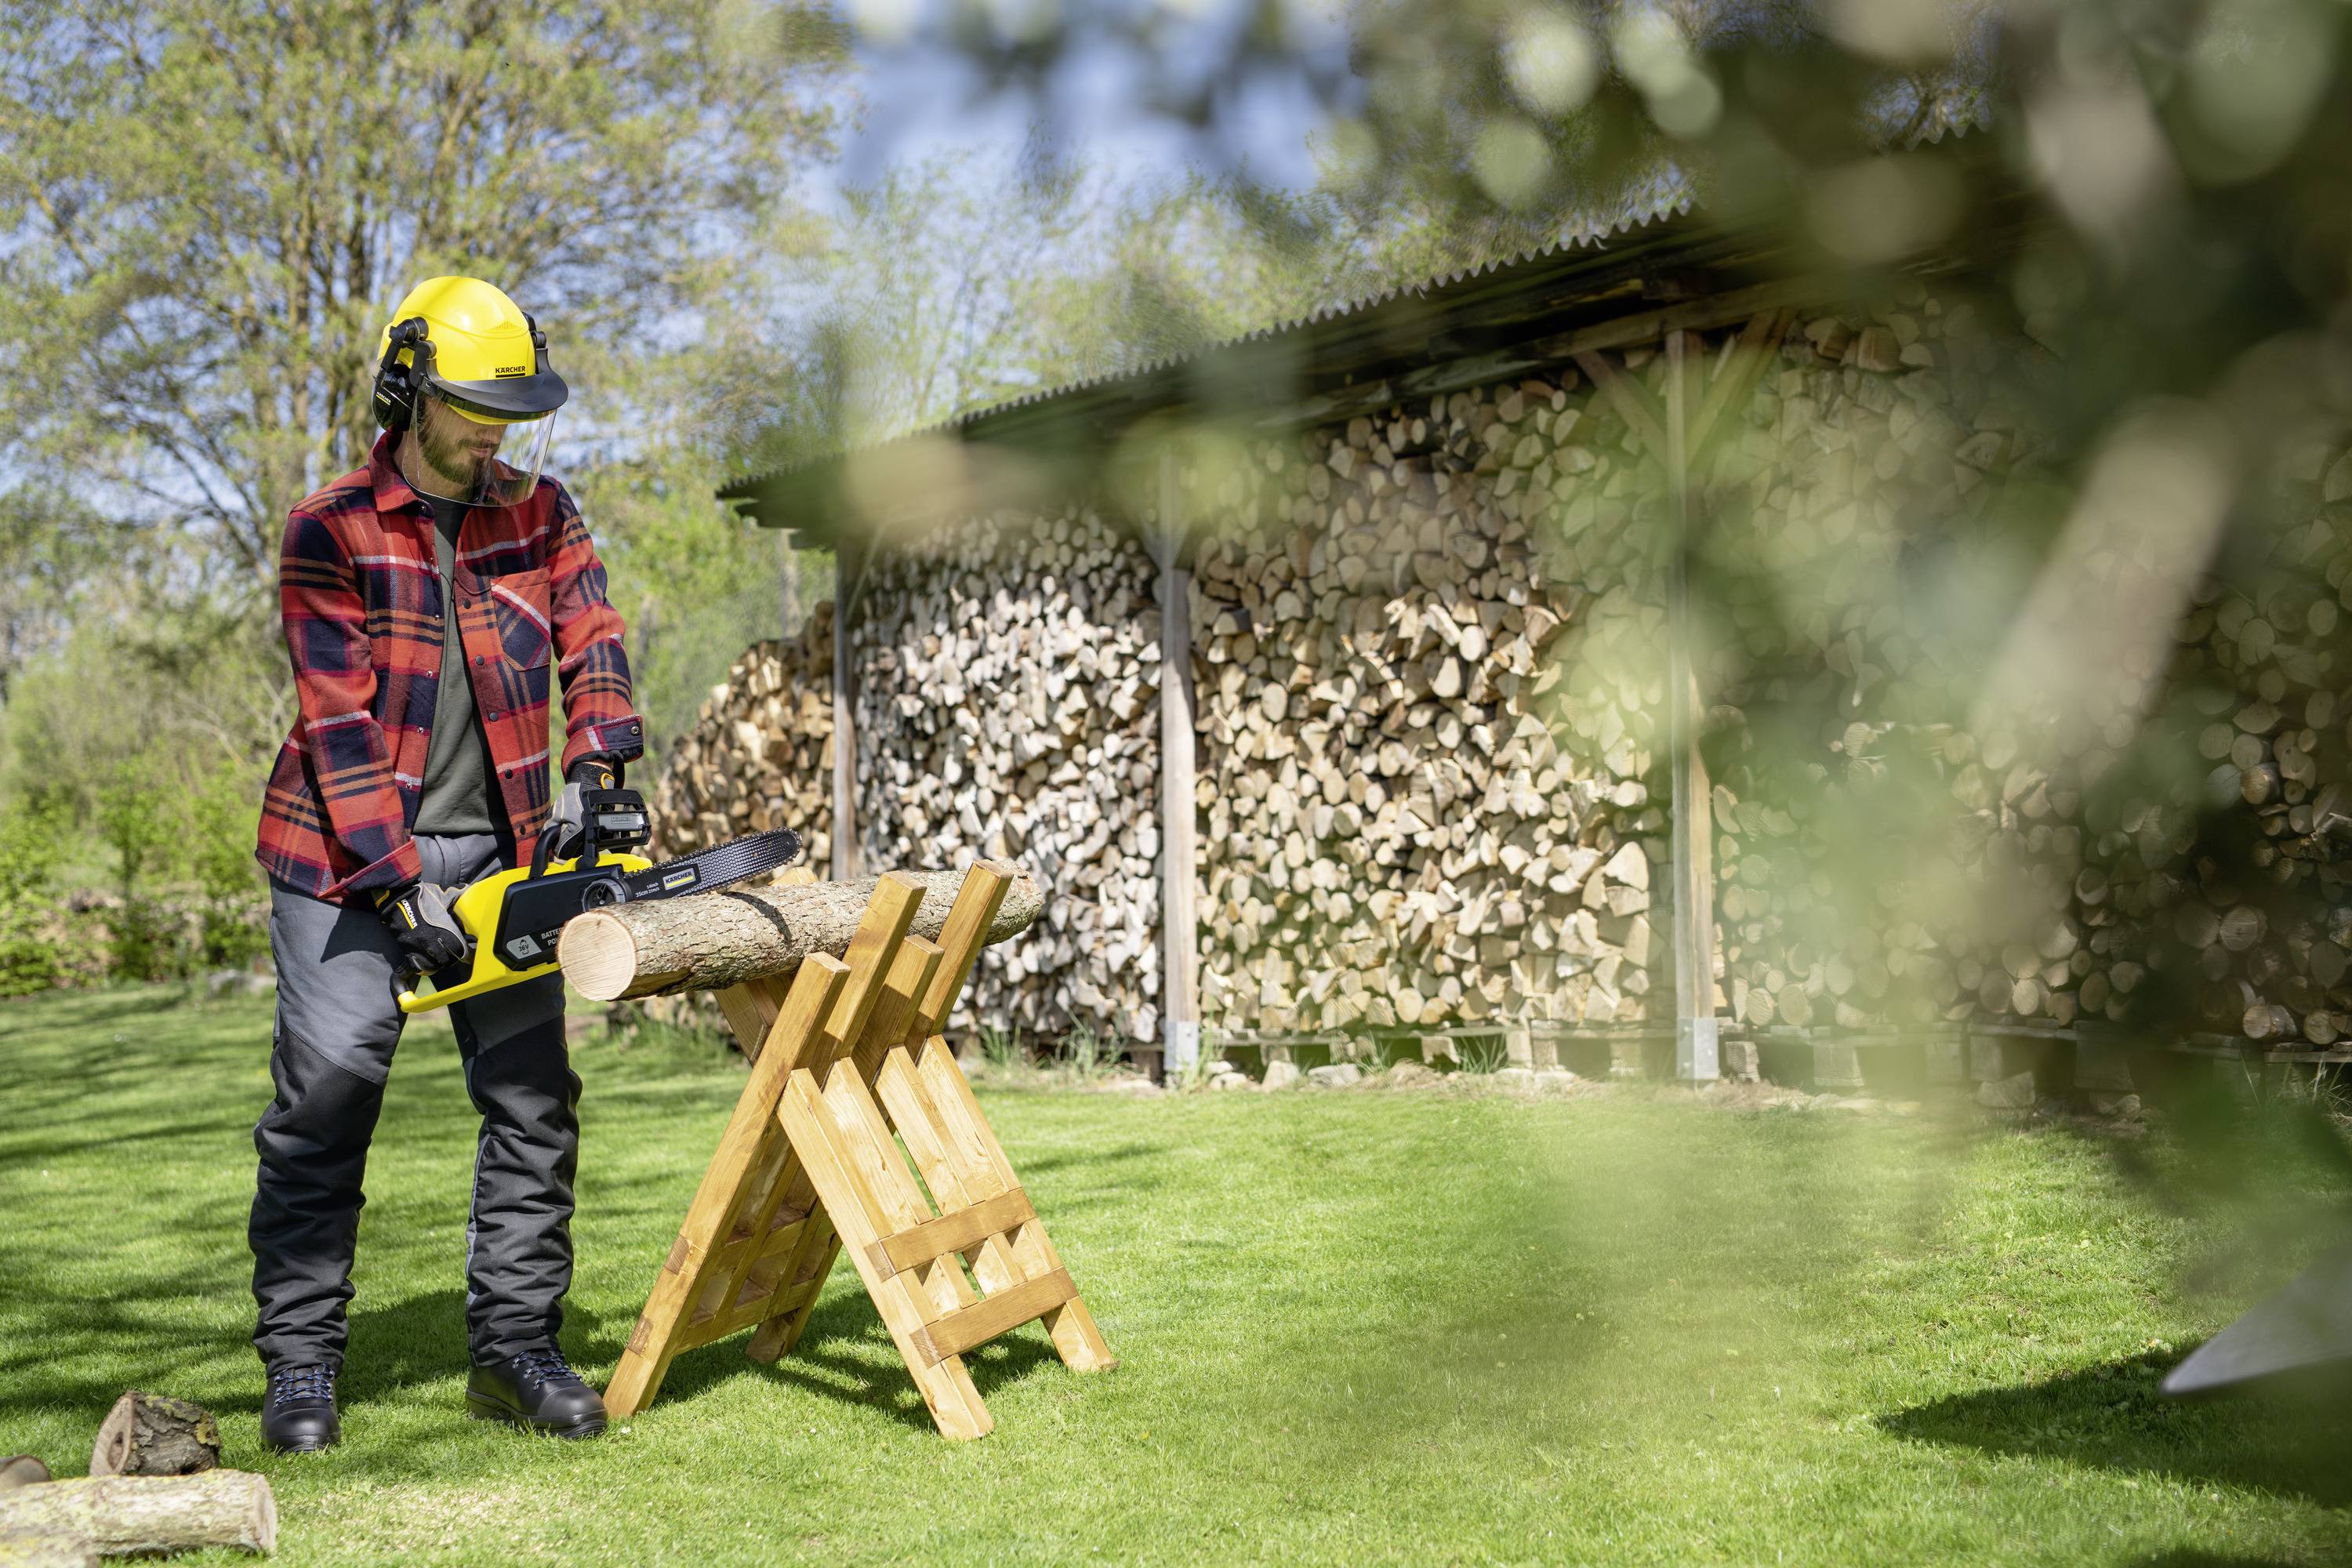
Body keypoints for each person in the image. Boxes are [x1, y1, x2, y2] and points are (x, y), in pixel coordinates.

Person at [247, 276, 645, 1451]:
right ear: (408, 388)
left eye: (508, 409)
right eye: (473, 407)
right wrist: (394, 876)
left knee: (533, 1104)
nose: (493, 432)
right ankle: (304, 1368)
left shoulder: (544, 513)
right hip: (341, 856)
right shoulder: (331, 529)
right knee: (327, 1102)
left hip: (502, 851)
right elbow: (336, 722)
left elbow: (596, 638)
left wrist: (598, 761)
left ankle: (515, 1346)